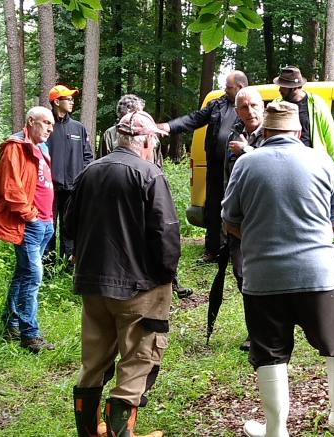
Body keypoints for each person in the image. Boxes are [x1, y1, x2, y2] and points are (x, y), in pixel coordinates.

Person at [222, 101, 334, 436]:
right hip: (319, 273)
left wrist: (259, 235)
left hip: (263, 277)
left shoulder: (246, 163)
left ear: (266, 131)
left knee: (269, 352)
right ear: (298, 132)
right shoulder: (321, 160)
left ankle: (275, 429)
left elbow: (229, 220)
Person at [66, 110, 178, 437]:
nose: (154, 145)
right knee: (138, 358)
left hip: (93, 285)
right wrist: (166, 275)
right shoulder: (150, 175)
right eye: (153, 140)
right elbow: (166, 234)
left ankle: (89, 432)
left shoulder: (89, 172)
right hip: (139, 288)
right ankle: (120, 434)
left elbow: (70, 225)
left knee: (94, 361)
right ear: (144, 140)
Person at [0, 107, 58, 353]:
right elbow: (11, 188)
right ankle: (30, 334)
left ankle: (11, 323)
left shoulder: (42, 148)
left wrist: (47, 218)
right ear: (30, 121)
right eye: (45, 123)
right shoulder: (16, 147)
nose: (49, 128)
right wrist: (30, 216)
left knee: (24, 274)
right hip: (31, 224)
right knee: (33, 276)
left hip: (46, 223)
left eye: (52, 125)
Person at [102, 94, 193, 300]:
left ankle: (170, 282)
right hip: (125, 190)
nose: (141, 114)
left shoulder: (150, 130)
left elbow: (157, 159)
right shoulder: (111, 134)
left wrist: (159, 181)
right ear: (126, 112)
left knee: (160, 231)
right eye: (137, 111)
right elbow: (106, 159)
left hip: (151, 184)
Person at [157, 71, 248, 263]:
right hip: (215, 165)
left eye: (229, 87)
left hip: (238, 167)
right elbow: (195, 119)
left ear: (240, 87)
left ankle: (237, 251)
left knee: (238, 207)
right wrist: (169, 126)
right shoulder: (217, 104)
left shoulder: (251, 105)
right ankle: (213, 250)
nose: (225, 89)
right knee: (213, 207)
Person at [221, 86, 266, 351]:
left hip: (262, 219)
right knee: (241, 274)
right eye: (244, 107)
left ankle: (265, 332)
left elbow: (276, 160)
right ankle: (255, 330)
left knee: (261, 274)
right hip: (238, 219)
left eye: (254, 106)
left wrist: (247, 151)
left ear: (263, 107)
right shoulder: (233, 134)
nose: (250, 111)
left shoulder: (273, 134)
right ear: (237, 110)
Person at [45, 84, 94, 267]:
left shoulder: (78, 128)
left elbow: (87, 156)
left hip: (73, 189)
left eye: (73, 99)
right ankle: (48, 268)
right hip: (49, 189)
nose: (72, 101)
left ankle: (68, 268)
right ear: (57, 101)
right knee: (49, 229)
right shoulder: (47, 126)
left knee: (70, 229)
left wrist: (82, 179)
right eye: (68, 99)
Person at [272, 66, 334, 177]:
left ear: (294, 88)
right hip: (284, 163)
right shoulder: (277, 104)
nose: (279, 90)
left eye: (283, 87)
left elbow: (329, 132)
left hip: (311, 165)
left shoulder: (316, 103)